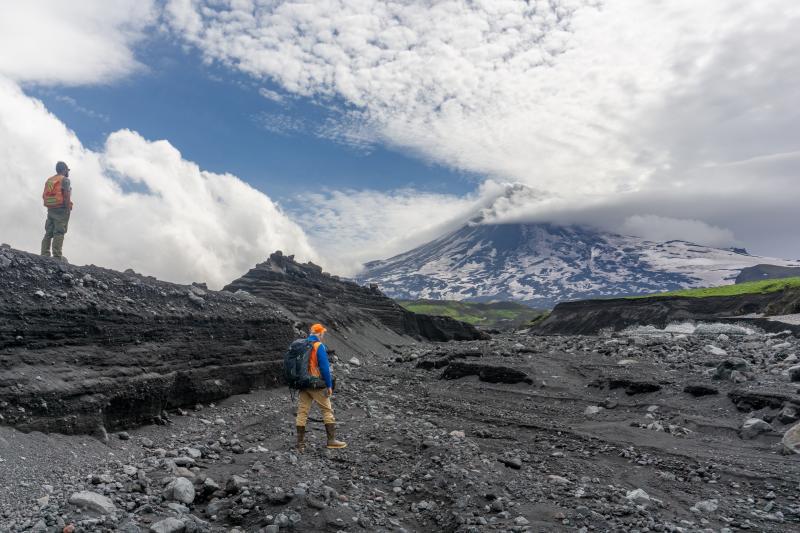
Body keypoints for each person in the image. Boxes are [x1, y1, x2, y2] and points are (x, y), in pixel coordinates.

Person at [295, 323, 347, 452]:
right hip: (315, 383)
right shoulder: (319, 346)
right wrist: (329, 385)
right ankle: (331, 441)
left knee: (302, 412)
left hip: (302, 383)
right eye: (323, 333)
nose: (323, 335)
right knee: (327, 410)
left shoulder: (302, 344)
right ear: (319, 333)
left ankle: (300, 444)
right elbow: (324, 368)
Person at [41, 161, 73, 260]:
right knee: (59, 232)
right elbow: (66, 194)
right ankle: (57, 256)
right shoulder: (65, 180)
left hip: (51, 208)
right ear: (64, 170)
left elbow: (46, 194)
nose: (68, 172)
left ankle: (44, 254)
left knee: (48, 232)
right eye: (67, 170)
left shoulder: (50, 180)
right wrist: (67, 208)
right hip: (61, 208)